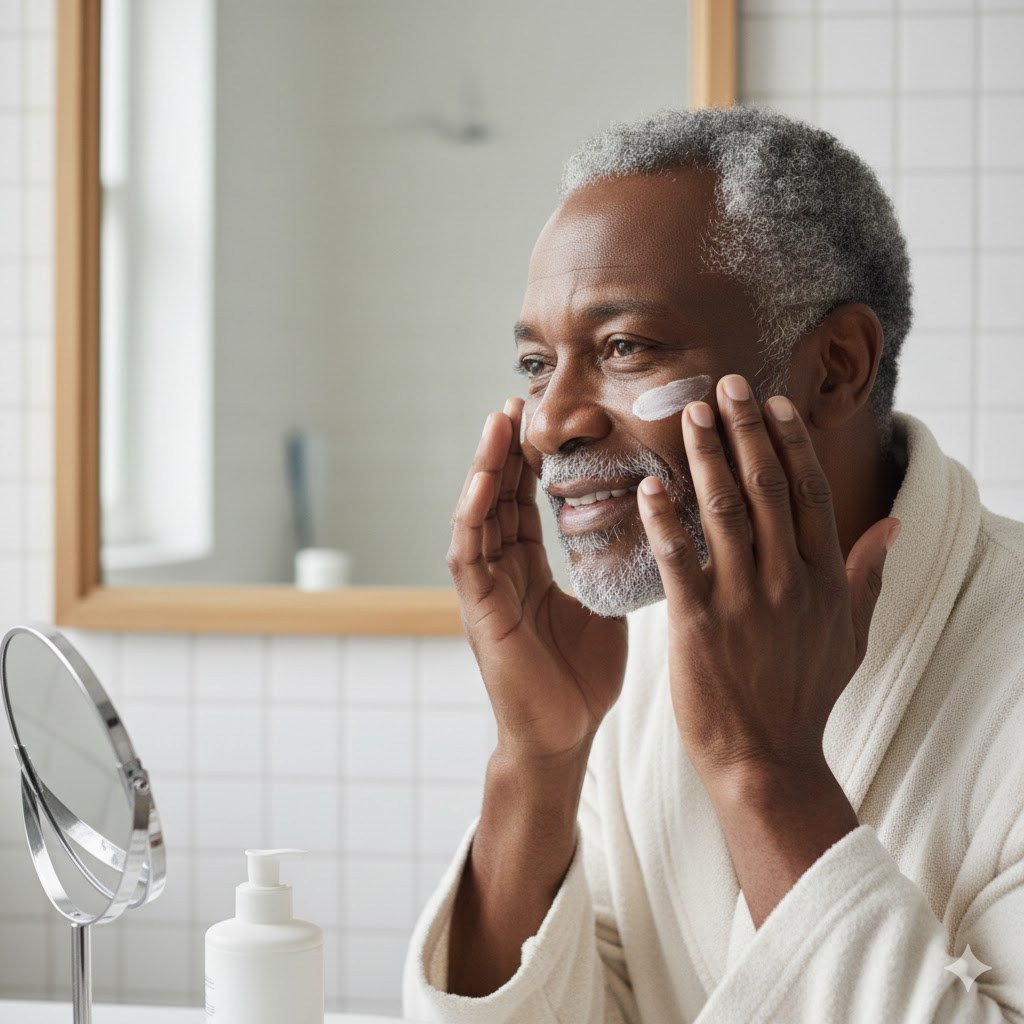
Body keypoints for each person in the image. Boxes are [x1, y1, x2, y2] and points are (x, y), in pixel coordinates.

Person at [401, 107, 1024, 1023]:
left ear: (835, 368)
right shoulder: (648, 651)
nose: (547, 423)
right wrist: (538, 758)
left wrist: (765, 771)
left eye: (623, 348)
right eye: (537, 363)